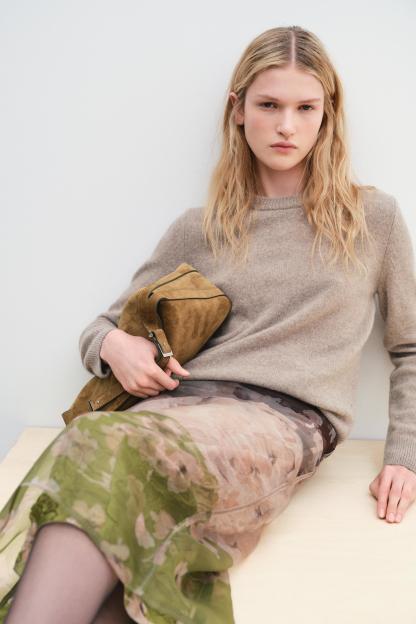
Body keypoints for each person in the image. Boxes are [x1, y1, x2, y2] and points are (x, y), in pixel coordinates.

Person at [1, 24, 415, 624]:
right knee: (103, 508)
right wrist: (116, 346)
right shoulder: (202, 226)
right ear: (238, 109)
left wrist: (404, 454)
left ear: (328, 114)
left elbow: (411, 345)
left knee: (102, 451)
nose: (286, 126)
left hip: (278, 423)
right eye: (268, 105)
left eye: (305, 108)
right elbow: (101, 326)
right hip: (172, 411)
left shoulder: (371, 219)